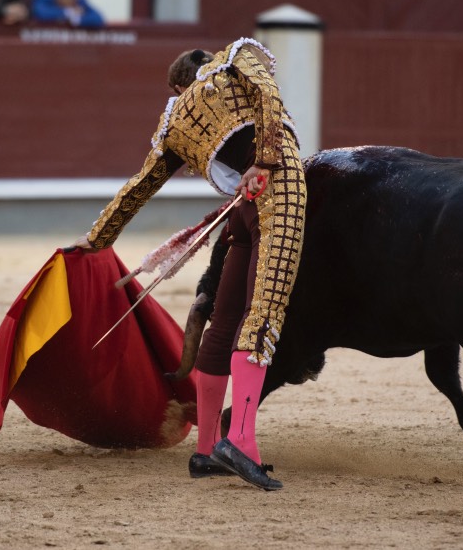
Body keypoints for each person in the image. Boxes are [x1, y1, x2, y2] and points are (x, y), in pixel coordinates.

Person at [73, 38, 306, 491]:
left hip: (243, 206)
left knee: (223, 321)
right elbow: (267, 94)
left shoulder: (175, 121)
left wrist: (98, 237)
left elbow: (140, 185)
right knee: (262, 314)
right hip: (278, 184)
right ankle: (241, 443)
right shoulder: (237, 60)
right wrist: (264, 161)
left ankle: (206, 449)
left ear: (177, 87)